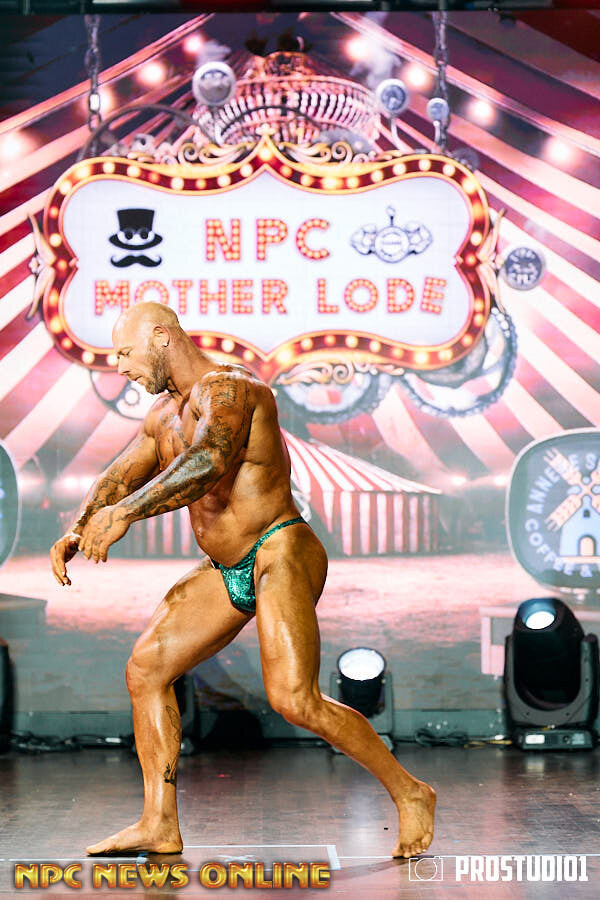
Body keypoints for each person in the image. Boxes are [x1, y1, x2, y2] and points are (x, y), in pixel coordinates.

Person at [49, 301, 436, 858]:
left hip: (280, 550)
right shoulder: (163, 414)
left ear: (161, 338)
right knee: (147, 669)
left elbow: (208, 461)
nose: (121, 368)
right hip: (225, 567)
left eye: (126, 354)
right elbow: (120, 475)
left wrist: (125, 515)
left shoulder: (231, 389)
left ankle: (411, 791)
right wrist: (81, 525)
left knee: (295, 700)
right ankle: (159, 823)